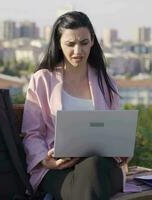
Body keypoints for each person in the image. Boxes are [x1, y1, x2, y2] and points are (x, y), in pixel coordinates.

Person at [21, 11, 127, 200]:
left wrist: (122, 150)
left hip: (101, 166)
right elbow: (32, 133)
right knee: (88, 186)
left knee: (93, 167)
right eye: (70, 44)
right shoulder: (43, 80)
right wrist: (46, 161)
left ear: (92, 41)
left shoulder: (106, 81)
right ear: (59, 44)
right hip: (58, 168)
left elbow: (115, 133)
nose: (78, 51)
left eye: (84, 43)